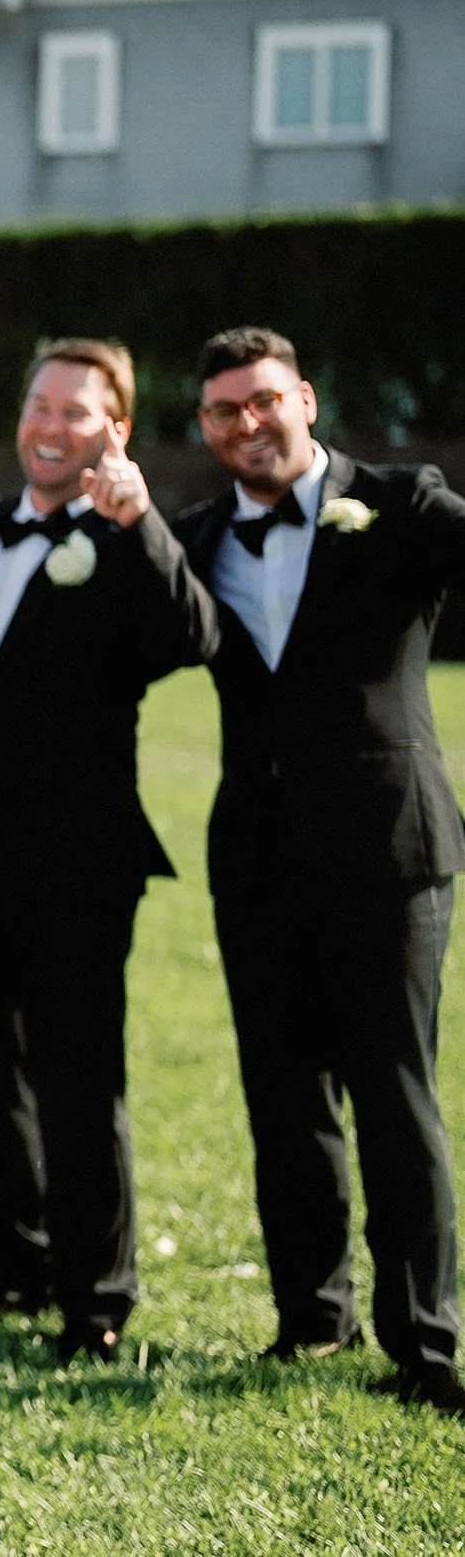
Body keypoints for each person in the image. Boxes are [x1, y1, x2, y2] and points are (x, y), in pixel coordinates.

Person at [0, 338, 218, 1363]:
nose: (49, 425)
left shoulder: (126, 536)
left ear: (113, 429)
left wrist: (139, 523)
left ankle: (96, 1298)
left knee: (80, 1082)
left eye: (76, 412)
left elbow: (190, 638)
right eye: (39, 403)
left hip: (78, 867)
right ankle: (15, 1267)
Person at [172, 326, 465, 1414]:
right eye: (221, 413)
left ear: (302, 397)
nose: (247, 425)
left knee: (395, 1098)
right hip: (256, 859)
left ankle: (426, 1341)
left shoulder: (401, 503)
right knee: (282, 1099)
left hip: (390, 851)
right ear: (203, 430)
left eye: (262, 402)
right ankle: (311, 1318)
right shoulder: (194, 539)